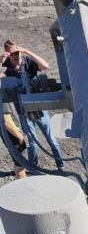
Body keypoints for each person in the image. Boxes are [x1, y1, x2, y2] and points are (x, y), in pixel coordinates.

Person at [1, 39, 64, 170]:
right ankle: (33, 167)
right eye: (12, 54)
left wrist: (27, 51)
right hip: (23, 110)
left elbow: (45, 66)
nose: (15, 56)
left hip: (39, 107)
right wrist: (1, 60)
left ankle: (61, 165)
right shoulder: (7, 67)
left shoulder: (28, 62)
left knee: (51, 139)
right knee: (32, 142)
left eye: (16, 52)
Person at [2, 100, 27, 179]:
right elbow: (6, 121)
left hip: (14, 134)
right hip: (13, 135)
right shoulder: (3, 98)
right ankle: (23, 185)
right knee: (20, 164)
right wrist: (20, 137)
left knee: (19, 163)